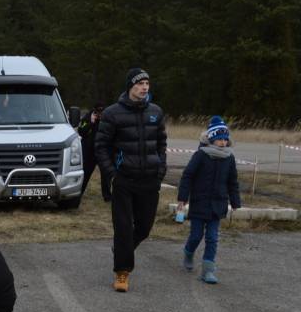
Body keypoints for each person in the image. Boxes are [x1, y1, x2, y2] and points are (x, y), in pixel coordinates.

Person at [95, 68, 167, 293]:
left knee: (144, 228)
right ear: (130, 86)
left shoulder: (156, 112)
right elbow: (101, 146)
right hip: (124, 180)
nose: (145, 87)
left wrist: (160, 169)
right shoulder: (112, 113)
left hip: (149, 180)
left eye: (147, 83)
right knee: (124, 228)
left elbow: (161, 144)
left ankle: (122, 249)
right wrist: (111, 175)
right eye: (140, 83)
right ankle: (122, 272)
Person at [177, 116, 241, 284]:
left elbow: (232, 182)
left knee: (212, 238)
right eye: (219, 139)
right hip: (199, 203)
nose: (222, 142)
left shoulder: (229, 158)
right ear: (211, 139)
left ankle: (208, 271)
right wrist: (182, 198)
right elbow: (187, 176)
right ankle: (188, 252)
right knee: (196, 235)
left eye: (225, 139)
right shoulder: (201, 155)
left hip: (218, 205)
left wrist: (235, 201)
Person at [78, 101, 105, 195]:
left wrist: (102, 120)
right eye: (98, 112)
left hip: (101, 150)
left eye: (101, 112)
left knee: (105, 173)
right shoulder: (87, 118)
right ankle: (79, 191)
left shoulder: (106, 119)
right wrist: (91, 122)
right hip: (89, 151)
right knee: (86, 172)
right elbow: (81, 131)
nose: (99, 114)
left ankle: (106, 195)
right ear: (94, 110)